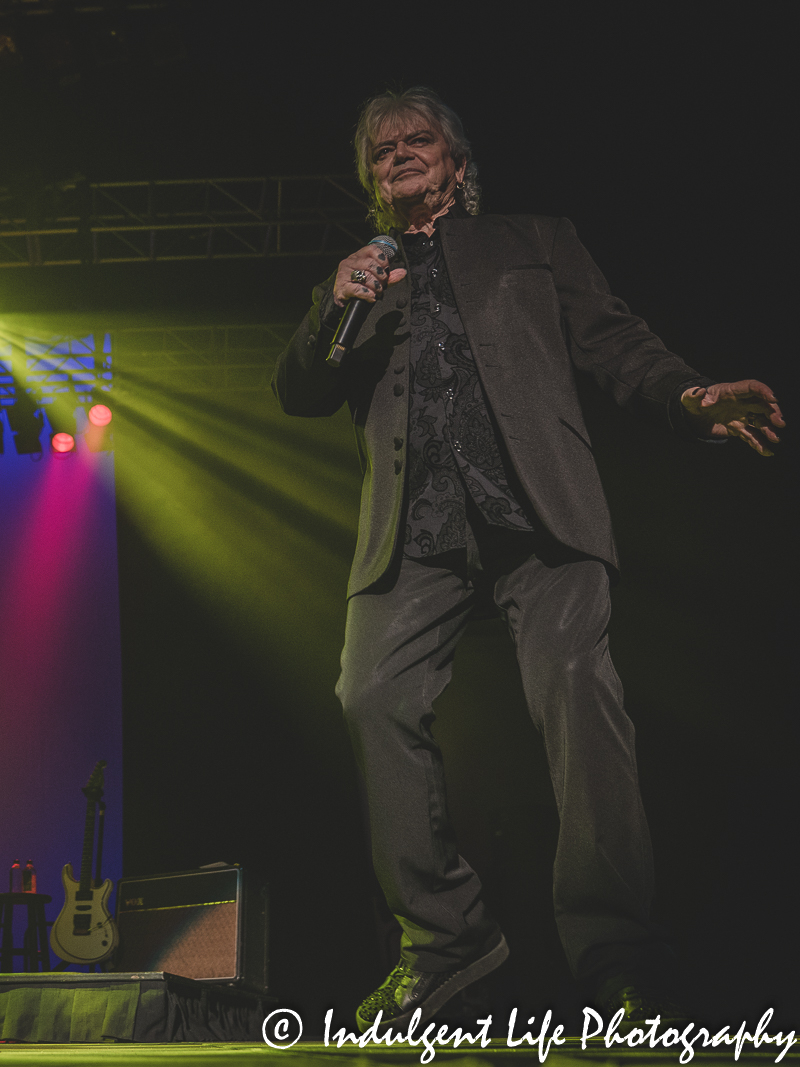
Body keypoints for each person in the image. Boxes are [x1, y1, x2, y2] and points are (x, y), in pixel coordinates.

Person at [273, 88, 782, 1029]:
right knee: (367, 693)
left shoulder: (533, 238)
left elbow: (613, 340)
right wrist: (328, 309)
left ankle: (621, 952)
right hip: (414, 531)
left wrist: (689, 396)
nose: (398, 155)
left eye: (417, 140)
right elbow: (299, 390)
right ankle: (447, 942)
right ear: (370, 183)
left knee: (580, 693)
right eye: (381, 151)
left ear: (457, 165)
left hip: (536, 514)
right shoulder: (356, 282)